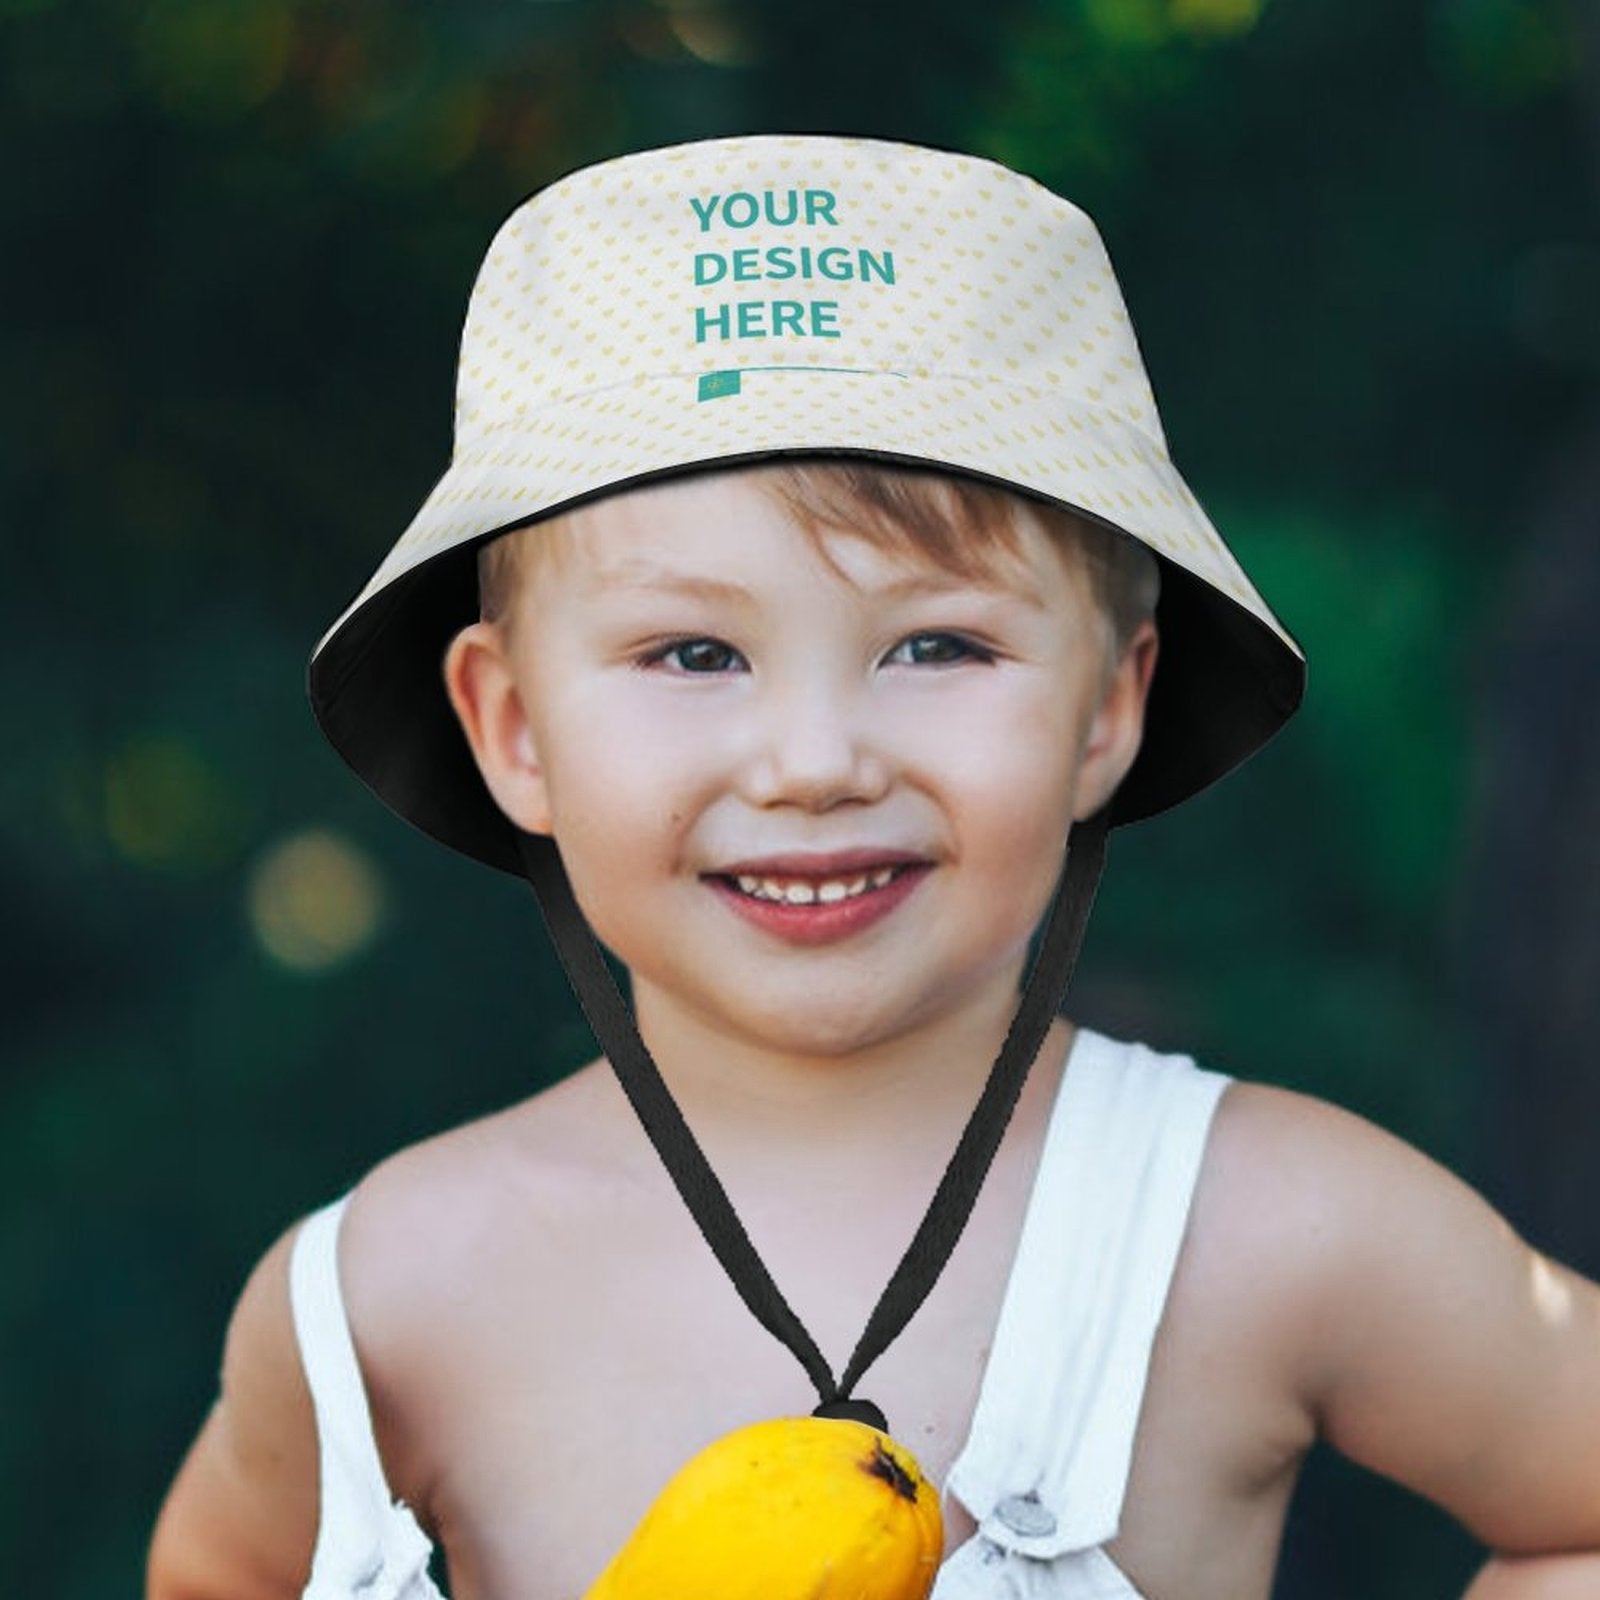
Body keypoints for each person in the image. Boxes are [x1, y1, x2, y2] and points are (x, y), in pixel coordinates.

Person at [146, 135, 1600, 1600]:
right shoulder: (389, 1297)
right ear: (514, 728)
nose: (815, 760)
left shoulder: (1269, 1226)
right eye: (695, 653)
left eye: (937, 646)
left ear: (1107, 708)